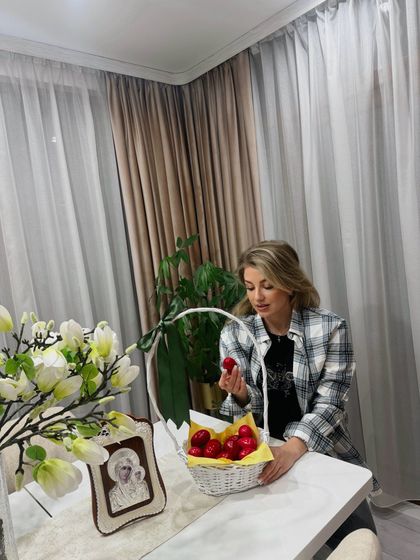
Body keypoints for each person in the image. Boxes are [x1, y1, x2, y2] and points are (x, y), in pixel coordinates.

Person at [218, 240, 379, 549]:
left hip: (319, 447)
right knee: (277, 543)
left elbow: (331, 403)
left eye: (267, 286)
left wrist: (293, 448)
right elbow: (247, 411)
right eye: (250, 287)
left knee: (361, 539)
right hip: (260, 451)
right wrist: (239, 395)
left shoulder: (330, 328)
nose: (257, 297)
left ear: (289, 283)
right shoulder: (235, 333)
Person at [107, 448, 150, 513]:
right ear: (117, 470)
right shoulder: (114, 494)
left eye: (129, 469)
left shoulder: (141, 485)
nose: (126, 472)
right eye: (123, 468)